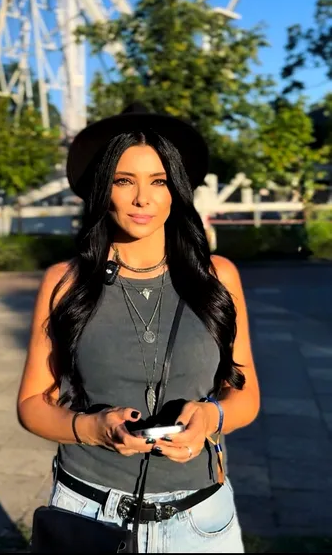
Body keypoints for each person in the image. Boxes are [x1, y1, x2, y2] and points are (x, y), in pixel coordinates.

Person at [18, 103, 260, 553]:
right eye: (124, 181)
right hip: (88, 513)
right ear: (102, 189)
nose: (142, 199)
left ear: (176, 190)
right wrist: (94, 428)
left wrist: (210, 418)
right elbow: (33, 405)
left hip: (200, 519)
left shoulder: (218, 277)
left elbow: (246, 397)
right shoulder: (64, 283)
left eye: (159, 182)